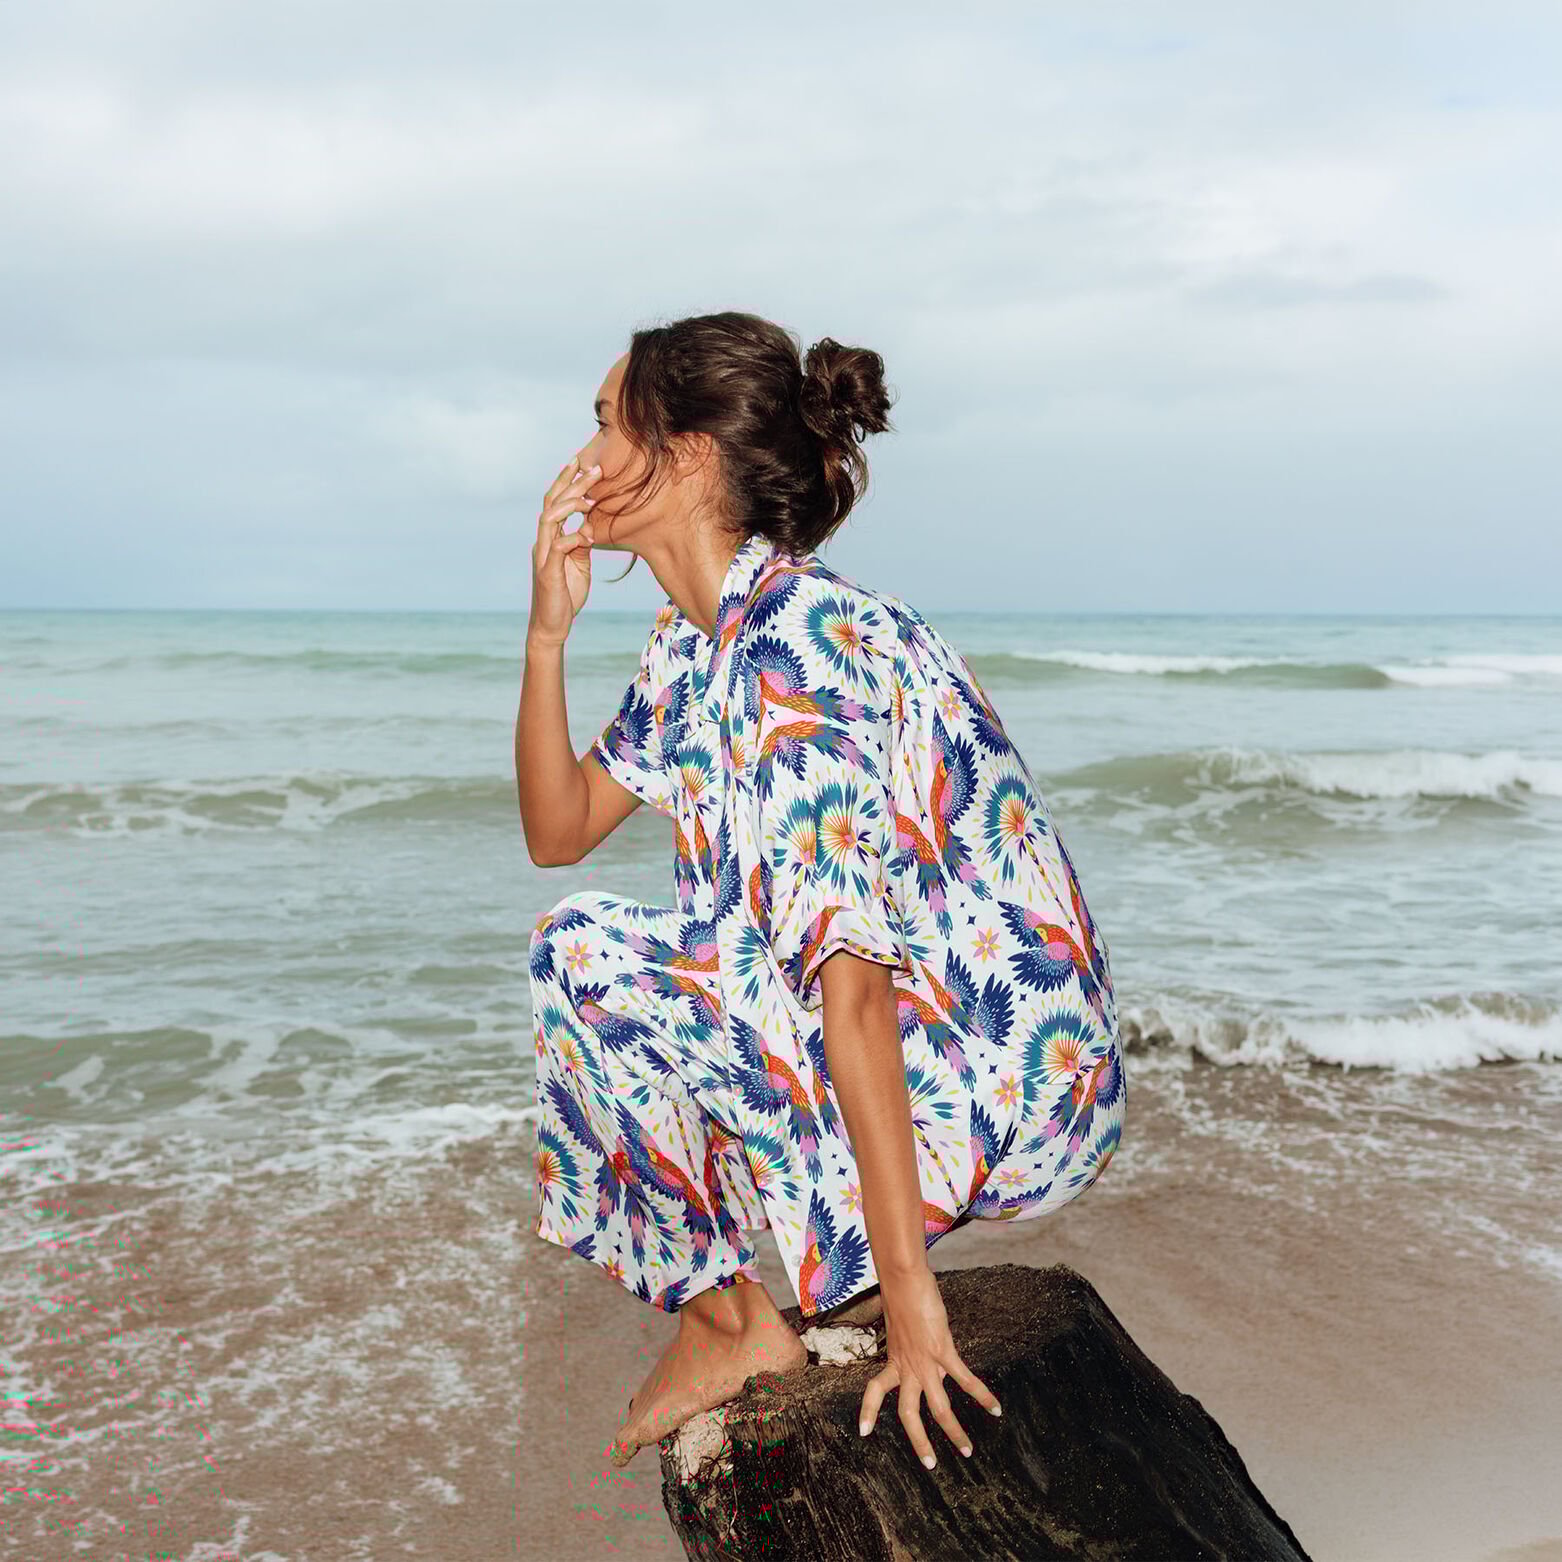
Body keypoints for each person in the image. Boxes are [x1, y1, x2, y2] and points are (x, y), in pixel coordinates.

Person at [518, 312, 1124, 1471]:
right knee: (589, 947)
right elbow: (558, 829)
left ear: (685, 452)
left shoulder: (801, 640)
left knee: (584, 956)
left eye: (603, 421)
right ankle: (732, 1319)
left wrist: (912, 1309)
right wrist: (550, 630)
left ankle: (731, 1327)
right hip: (924, 1039)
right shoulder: (694, 644)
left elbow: (849, 984)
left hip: (993, 1074)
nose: (582, 453)